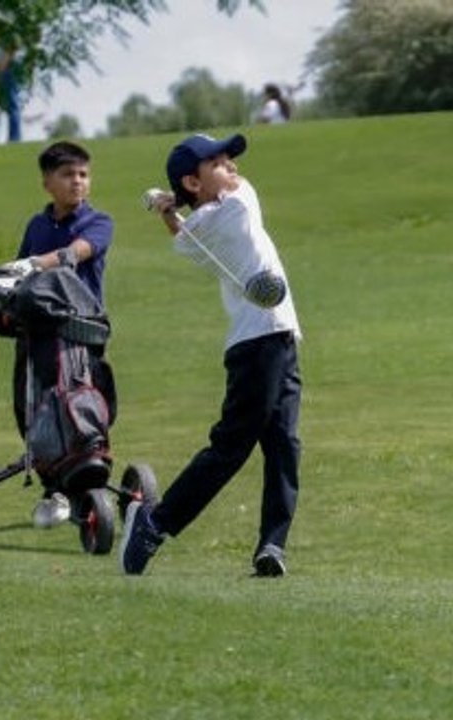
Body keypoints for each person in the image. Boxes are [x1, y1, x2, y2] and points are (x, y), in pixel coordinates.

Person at [120, 133, 302, 577]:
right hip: (258, 344)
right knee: (232, 448)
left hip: (278, 338)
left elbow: (182, 233)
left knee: (284, 446)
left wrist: (170, 206)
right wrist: (176, 203)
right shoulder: (238, 205)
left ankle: (272, 545)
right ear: (193, 180)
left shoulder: (197, 231)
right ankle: (154, 522)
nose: (232, 167)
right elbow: (210, 207)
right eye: (218, 162)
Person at [0, 141, 115, 526]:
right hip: (35, 336)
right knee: (31, 409)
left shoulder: (99, 222)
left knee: (81, 406)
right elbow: (15, 285)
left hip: (79, 334)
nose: (78, 182)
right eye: (68, 175)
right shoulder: (37, 226)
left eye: (83, 175)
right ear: (47, 183)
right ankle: (54, 488)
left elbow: (75, 253)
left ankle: (86, 479)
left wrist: (32, 264)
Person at [0, 43, 26, 143]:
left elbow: (9, 51)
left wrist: (1, 68)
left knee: (13, 104)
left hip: (9, 68)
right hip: (9, 68)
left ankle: (15, 137)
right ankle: (14, 136)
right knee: (12, 105)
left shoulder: (7, 34)